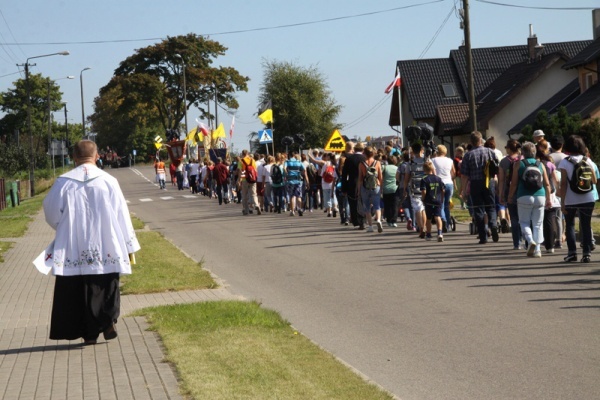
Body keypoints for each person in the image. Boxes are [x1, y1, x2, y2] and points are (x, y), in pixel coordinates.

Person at [40, 140, 140, 345]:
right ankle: (107, 320)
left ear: (74, 158)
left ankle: (87, 332)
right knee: (106, 284)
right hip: (106, 243)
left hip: (73, 244)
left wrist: (63, 227)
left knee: (77, 289)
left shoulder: (63, 182)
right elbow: (122, 214)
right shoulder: (108, 181)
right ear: (97, 157)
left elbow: (50, 212)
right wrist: (129, 245)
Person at [507, 142, 552, 258]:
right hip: (540, 196)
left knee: (524, 222)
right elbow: (547, 184)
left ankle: (530, 239)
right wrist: (549, 199)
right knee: (538, 224)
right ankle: (537, 249)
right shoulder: (541, 165)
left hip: (523, 196)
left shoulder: (518, 164)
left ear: (522, 153)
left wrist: (510, 196)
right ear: (535, 152)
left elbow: (514, 184)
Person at [558, 135, 598, 263]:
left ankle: (572, 253)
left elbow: (563, 183)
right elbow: (594, 180)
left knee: (570, 225)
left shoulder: (565, 162)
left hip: (571, 198)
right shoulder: (588, 160)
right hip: (588, 198)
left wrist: (562, 202)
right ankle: (586, 254)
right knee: (586, 225)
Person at [460, 131, 500, 244]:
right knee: (491, 206)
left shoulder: (468, 155)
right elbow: (497, 167)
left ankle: (483, 236)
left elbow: (464, 175)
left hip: (475, 183)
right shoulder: (490, 151)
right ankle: (493, 224)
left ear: (471, 142)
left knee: (478, 209)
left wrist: (463, 190)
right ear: (481, 140)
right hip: (489, 182)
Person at [498, 139, 523, 250]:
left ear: (508, 148)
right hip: (523, 190)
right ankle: (525, 240)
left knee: (514, 217)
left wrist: (501, 194)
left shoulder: (504, 162)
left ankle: (516, 243)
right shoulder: (523, 159)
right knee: (524, 217)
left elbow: (501, 180)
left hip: (509, 191)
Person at [357, 146, 383, 233]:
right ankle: (378, 220)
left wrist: (358, 189)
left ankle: (371, 226)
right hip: (376, 186)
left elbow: (360, 178)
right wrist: (381, 187)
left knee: (366, 207)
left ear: (364, 153)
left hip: (365, 187)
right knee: (377, 206)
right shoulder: (377, 163)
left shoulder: (361, 164)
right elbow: (380, 176)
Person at [404, 142, 427, 238]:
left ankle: (421, 228)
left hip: (414, 188)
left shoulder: (410, 163)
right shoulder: (426, 161)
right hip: (426, 187)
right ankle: (425, 225)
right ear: (422, 150)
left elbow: (406, 178)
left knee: (418, 209)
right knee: (424, 208)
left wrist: (405, 188)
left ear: (413, 151)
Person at [341, 142, 366, 229]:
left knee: (353, 203)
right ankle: (363, 220)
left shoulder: (349, 159)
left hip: (352, 184)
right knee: (363, 202)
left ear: (354, 149)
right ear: (363, 150)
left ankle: (356, 221)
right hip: (364, 183)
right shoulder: (365, 158)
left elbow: (344, 175)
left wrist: (343, 188)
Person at [431, 144, 455, 232]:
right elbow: (453, 172)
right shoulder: (450, 160)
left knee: (440, 204)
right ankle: (448, 223)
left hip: (439, 183)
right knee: (446, 205)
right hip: (449, 183)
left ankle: (443, 220)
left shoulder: (433, 160)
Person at [420, 161, 445, 242]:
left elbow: (424, 191)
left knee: (429, 218)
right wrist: (441, 198)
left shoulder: (424, 179)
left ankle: (429, 234)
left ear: (424, 170)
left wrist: (423, 198)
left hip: (429, 201)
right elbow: (443, 190)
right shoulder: (438, 179)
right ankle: (440, 233)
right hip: (438, 200)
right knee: (438, 217)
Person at [284, 152, 308, 216]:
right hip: (298, 180)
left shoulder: (287, 162)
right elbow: (304, 170)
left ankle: (292, 211)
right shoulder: (298, 162)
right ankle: (299, 209)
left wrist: (287, 174)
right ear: (294, 156)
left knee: (292, 196)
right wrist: (300, 173)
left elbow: (284, 168)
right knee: (298, 195)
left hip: (290, 181)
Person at [239, 150, 261, 215]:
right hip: (252, 179)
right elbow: (255, 170)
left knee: (244, 195)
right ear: (248, 153)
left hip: (244, 179)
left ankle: (246, 210)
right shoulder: (252, 160)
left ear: (242, 154)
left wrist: (239, 180)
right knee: (254, 194)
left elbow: (240, 171)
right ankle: (257, 205)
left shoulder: (241, 161)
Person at [381, 155, 399, 226]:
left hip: (386, 189)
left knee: (387, 205)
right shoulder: (397, 168)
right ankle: (394, 221)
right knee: (394, 205)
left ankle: (388, 220)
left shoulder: (384, 167)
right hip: (395, 188)